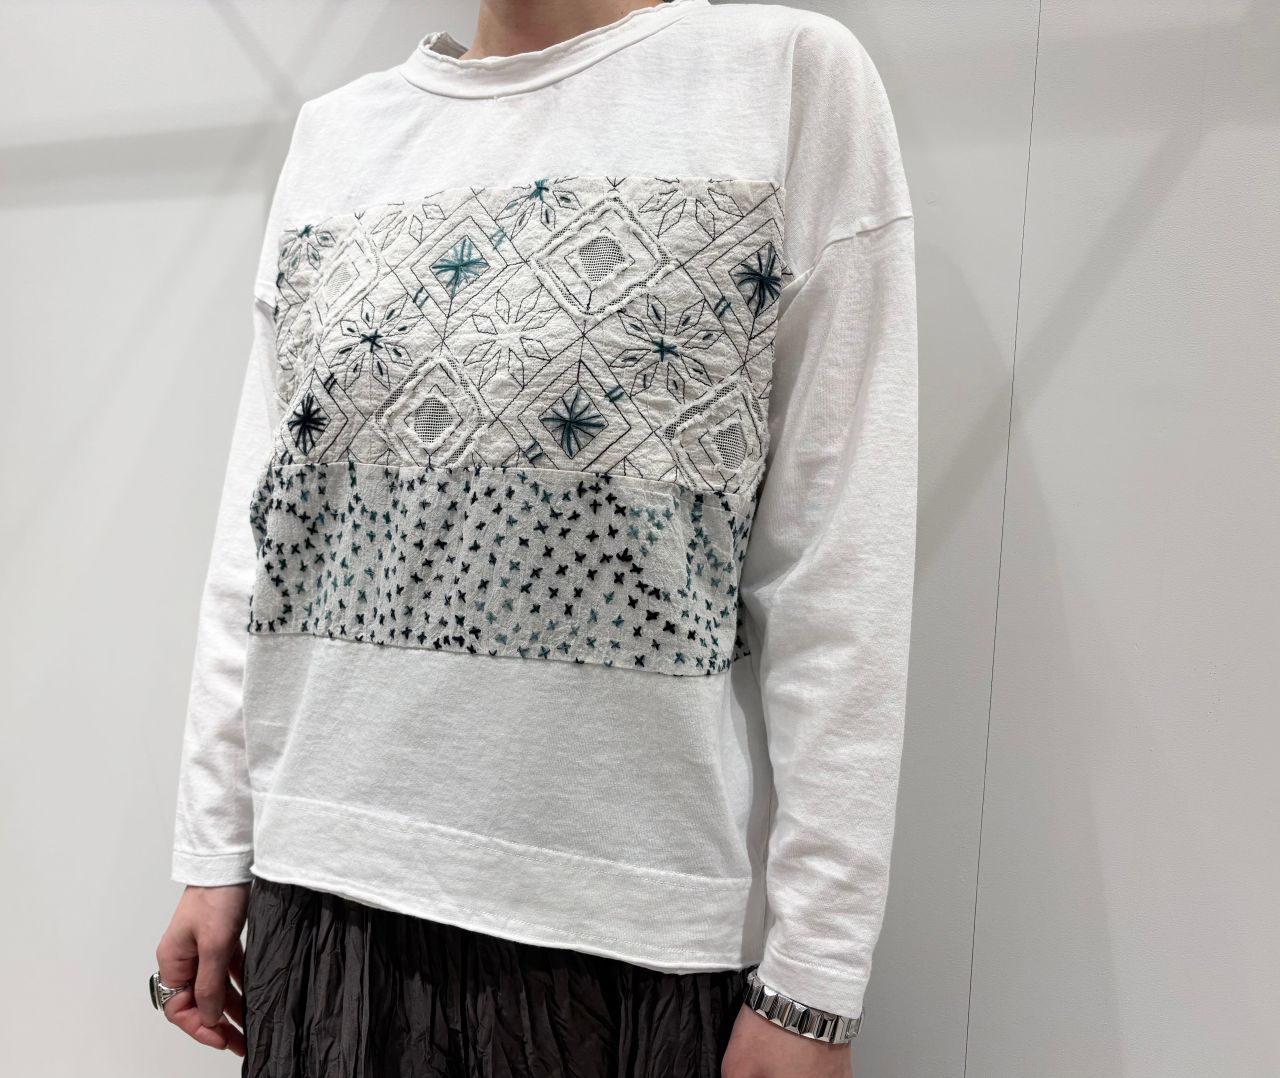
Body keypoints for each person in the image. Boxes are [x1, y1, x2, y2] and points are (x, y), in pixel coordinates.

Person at [151, 1, 918, 1074]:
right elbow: (262, 542)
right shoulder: (337, 138)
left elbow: (836, 575)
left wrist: (814, 984)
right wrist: (214, 845)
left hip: (614, 940)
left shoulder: (780, 81)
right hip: (320, 900)